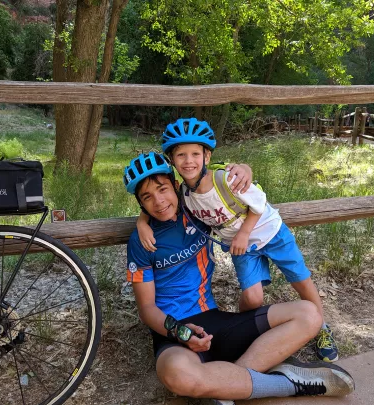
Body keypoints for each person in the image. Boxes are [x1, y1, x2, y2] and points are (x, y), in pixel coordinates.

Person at [123, 152, 355, 404]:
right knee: (177, 376)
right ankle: (288, 384)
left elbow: (224, 188)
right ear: (141, 204)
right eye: (147, 197)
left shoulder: (197, 214)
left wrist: (245, 169)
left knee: (309, 314)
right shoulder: (141, 241)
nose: (158, 201)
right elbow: (146, 309)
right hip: (173, 332)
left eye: (163, 190)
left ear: (176, 186)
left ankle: (228, 386)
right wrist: (181, 333)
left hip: (215, 321)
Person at [136, 118, 339, 362]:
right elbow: (158, 199)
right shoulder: (184, 194)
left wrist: (244, 229)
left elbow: (259, 202)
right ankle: (249, 332)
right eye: (181, 155)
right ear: (173, 161)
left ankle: (323, 328)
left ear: (207, 157)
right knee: (252, 298)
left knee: (300, 279)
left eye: (194, 154)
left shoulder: (226, 178)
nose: (188, 161)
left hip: (270, 232)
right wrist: (141, 221)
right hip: (241, 248)